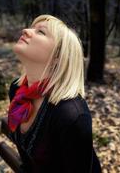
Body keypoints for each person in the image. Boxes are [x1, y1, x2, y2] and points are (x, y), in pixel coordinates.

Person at [7, 14, 102, 172]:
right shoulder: (17, 89)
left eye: (41, 32)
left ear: (58, 56)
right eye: (31, 27)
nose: (26, 30)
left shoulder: (71, 115)